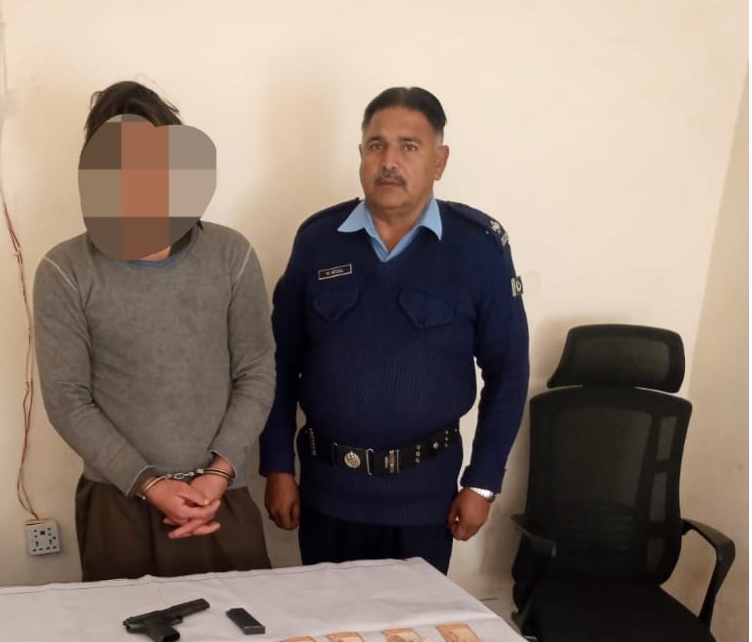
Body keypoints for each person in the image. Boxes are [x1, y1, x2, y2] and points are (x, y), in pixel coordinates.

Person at [259, 86, 529, 574]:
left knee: (414, 624)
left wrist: (483, 482)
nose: (389, 161)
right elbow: (277, 365)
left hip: (424, 502)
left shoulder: (477, 250)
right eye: (376, 145)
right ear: (361, 154)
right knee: (323, 620)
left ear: (439, 161)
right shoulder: (318, 241)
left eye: (409, 146)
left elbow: (508, 373)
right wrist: (278, 466)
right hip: (327, 495)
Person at [34, 81, 275, 581]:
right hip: (118, 505)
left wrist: (218, 474)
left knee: (242, 630)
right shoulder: (66, 269)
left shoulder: (231, 255)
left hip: (221, 498)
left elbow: (255, 371)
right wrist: (150, 484)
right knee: (121, 634)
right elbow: (68, 399)